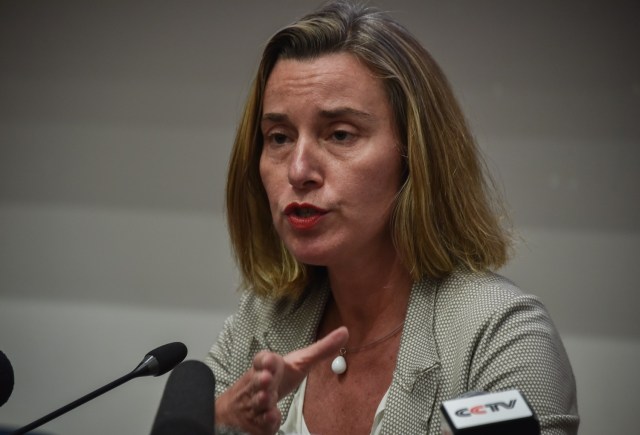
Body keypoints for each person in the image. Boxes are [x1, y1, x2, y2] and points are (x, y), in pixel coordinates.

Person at [205, 1, 579, 434]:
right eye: (279, 137)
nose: (298, 170)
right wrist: (217, 422)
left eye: (340, 134)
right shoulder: (260, 322)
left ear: (414, 155)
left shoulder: (498, 335)